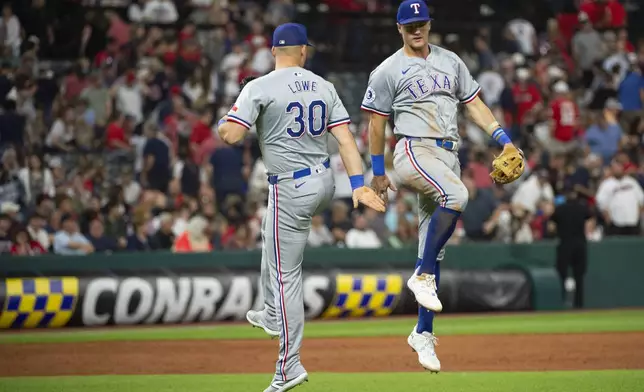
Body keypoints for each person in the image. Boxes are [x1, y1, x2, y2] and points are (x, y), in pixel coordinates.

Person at [217, 22, 385, 392]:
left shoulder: (258, 87)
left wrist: (222, 122)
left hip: (290, 186)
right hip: (324, 181)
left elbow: (231, 135)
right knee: (270, 239)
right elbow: (344, 139)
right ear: (304, 50)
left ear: (274, 50)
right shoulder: (324, 86)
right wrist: (357, 186)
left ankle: (288, 366)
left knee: (286, 276)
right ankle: (272, 313)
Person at [363, 0, 523, 373]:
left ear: (430, 24)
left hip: (448, 155)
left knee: (431, 247)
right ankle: (420, 275)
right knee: (458, 195)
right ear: (398, 28)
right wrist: (377, 171)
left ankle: (422, 331)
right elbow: (375, 123)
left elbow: (475, 104)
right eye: (409, 24)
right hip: (413, 149)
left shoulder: (451, 61)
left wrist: (504, 138)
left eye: (421, 22)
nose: (416, 29)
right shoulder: (387, 70)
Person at [550, 189, 592, 308]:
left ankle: (561, 302)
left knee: (562, 275)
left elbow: (551, 226)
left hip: (565, 244)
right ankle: (579, 304)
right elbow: (590, 218)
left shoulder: (560, 209)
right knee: (579, 277)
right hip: (579, 244)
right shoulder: (582, 207)